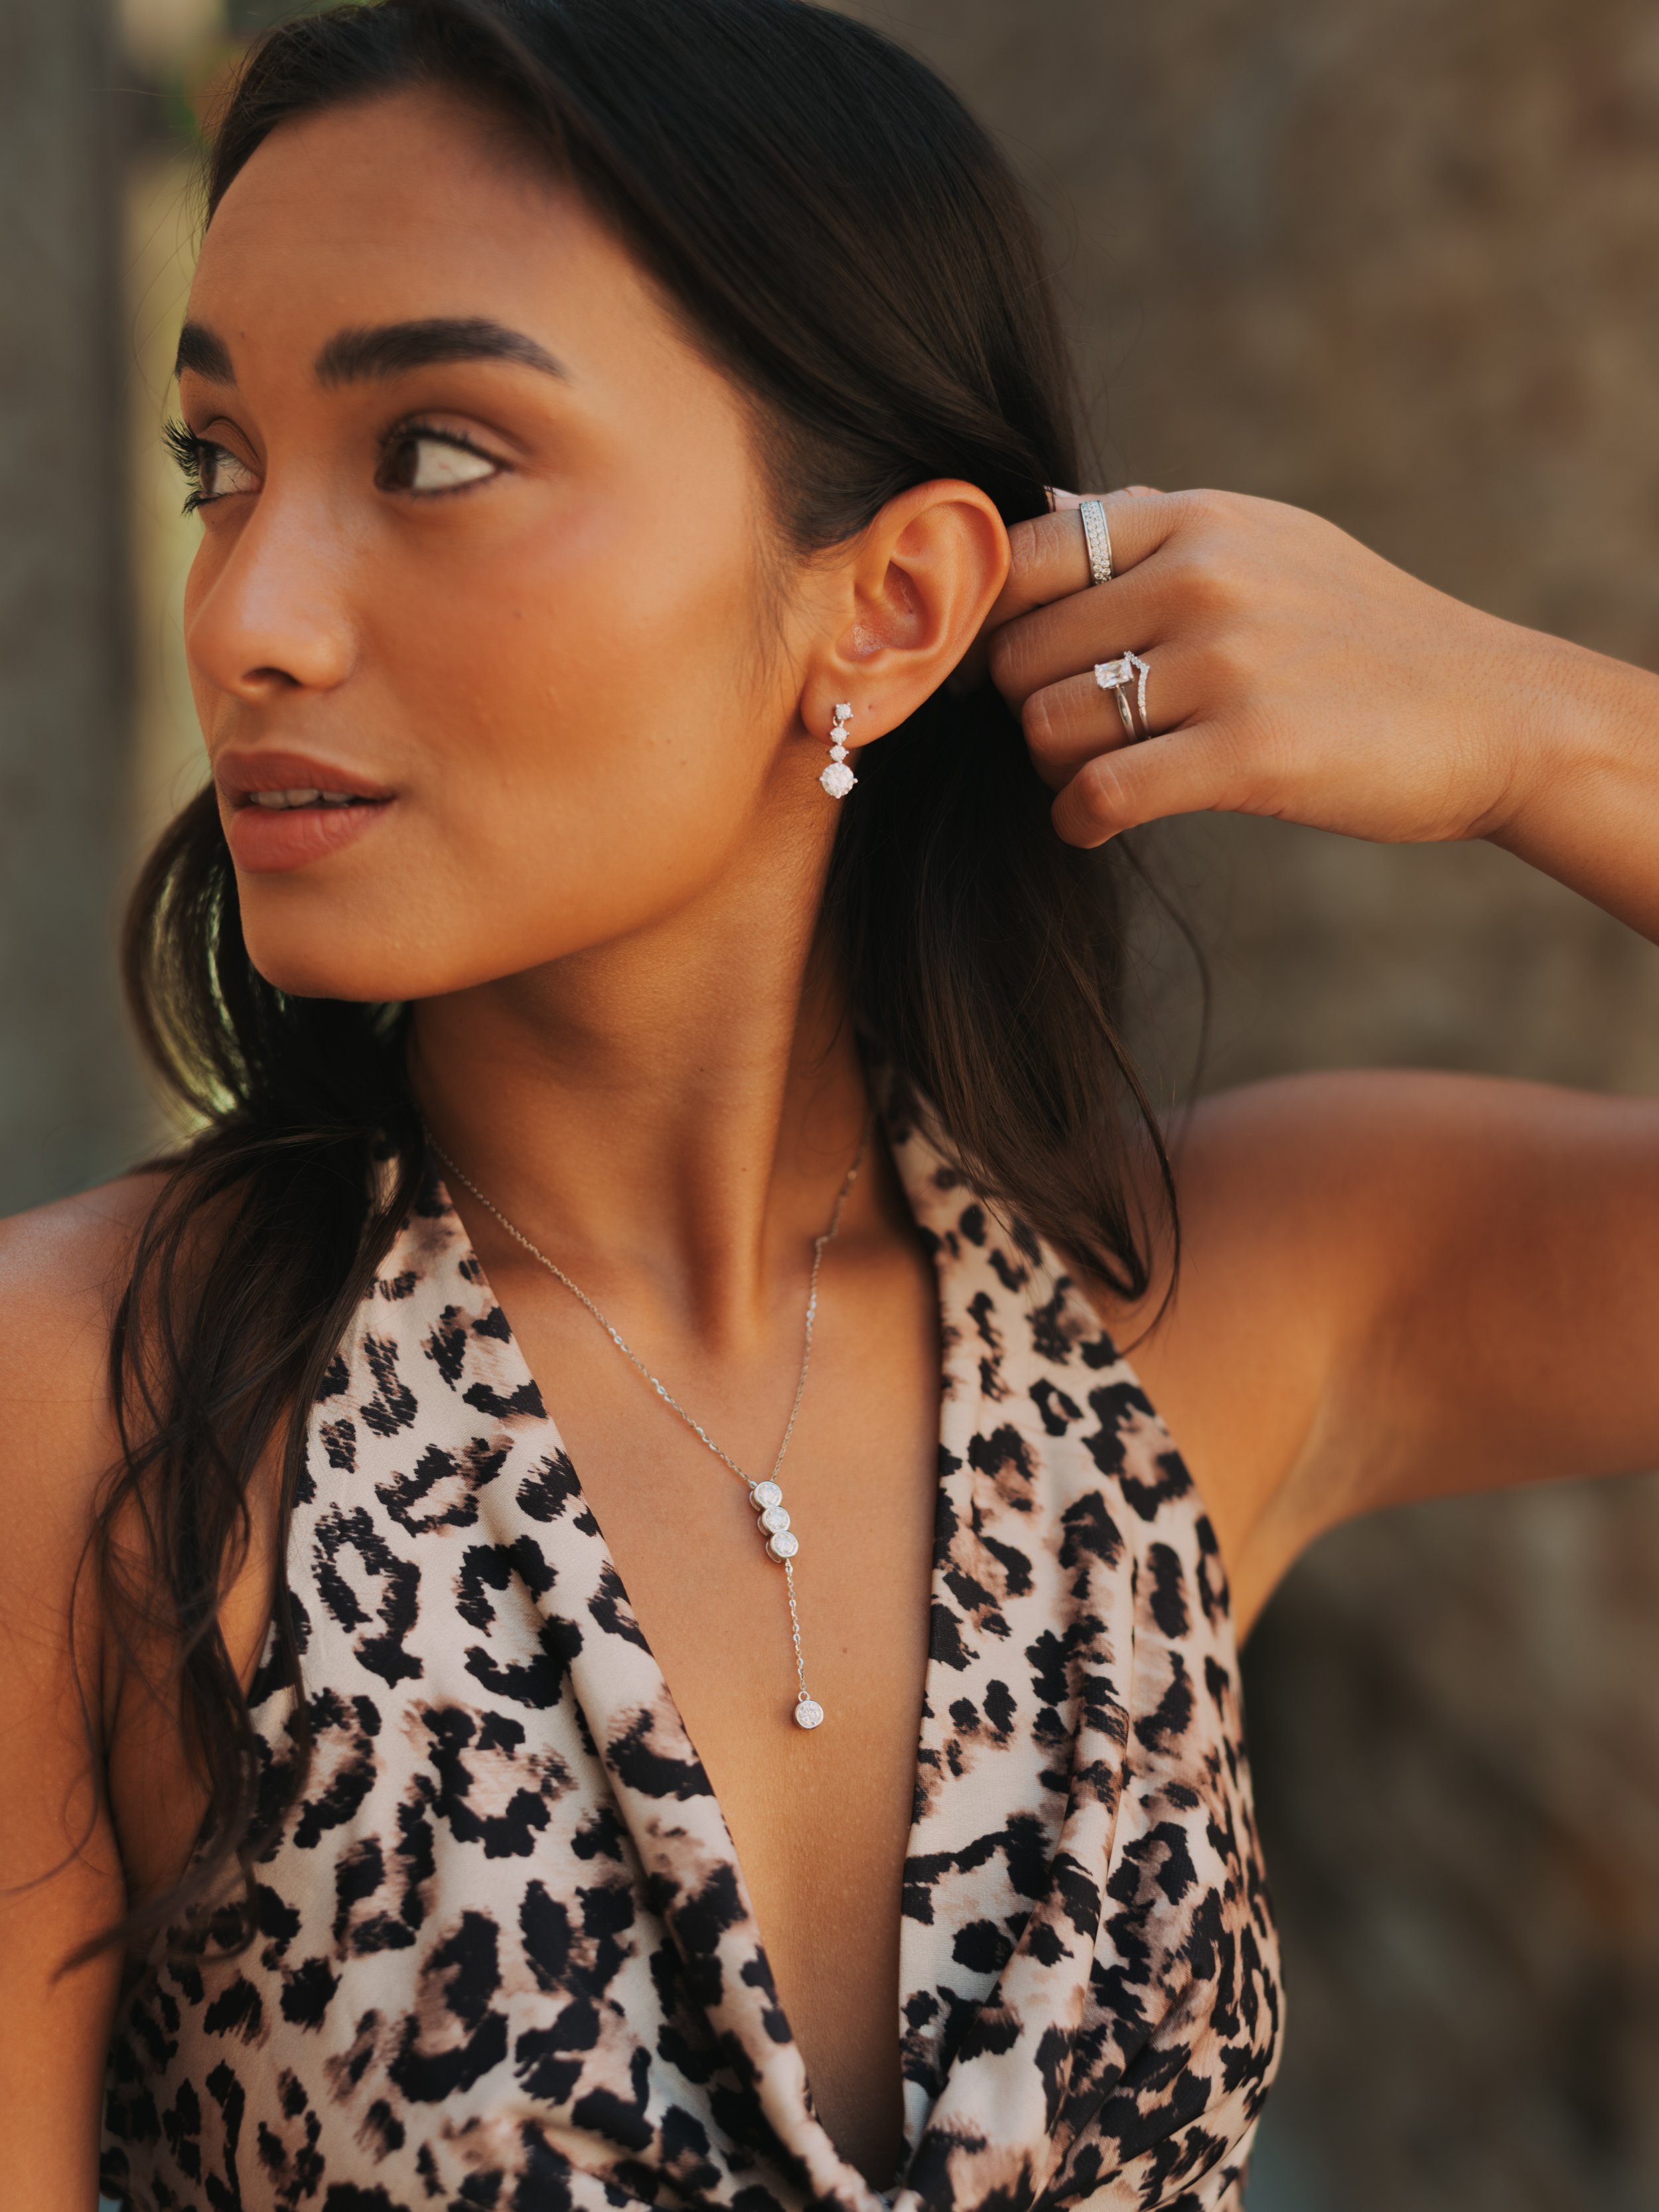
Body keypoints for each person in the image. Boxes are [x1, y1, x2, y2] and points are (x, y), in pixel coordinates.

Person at [3, 0, 1656, 2204]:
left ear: (885, 606)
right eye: (218, 465)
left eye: (433, 454)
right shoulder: (87, 1415)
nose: (249, 620)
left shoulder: (1214, 1309)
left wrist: (1553, 735)